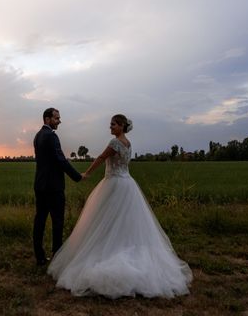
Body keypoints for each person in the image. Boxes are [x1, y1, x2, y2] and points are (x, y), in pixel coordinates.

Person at [47, 114, 193, 298]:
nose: (110, 127)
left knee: (105, 220)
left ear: (122, 126)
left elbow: (101, 158)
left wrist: (87, 173)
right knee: (125, 222)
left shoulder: (115, 143)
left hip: (114, 183)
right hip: (128, 184)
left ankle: (107, 253)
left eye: (113, 124)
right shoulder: (128, 143)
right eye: (110, 124)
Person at [33, 107, 83, 266]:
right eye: (56, 118)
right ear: (47, 119)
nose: (59, 121)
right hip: (54, 187)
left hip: (40, 185)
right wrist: (77, 176)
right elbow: (60, 160)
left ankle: (39, 256)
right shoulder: (52, 137)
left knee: (40, 219)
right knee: (57, 221)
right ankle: (57, 256)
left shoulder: (38, 136)